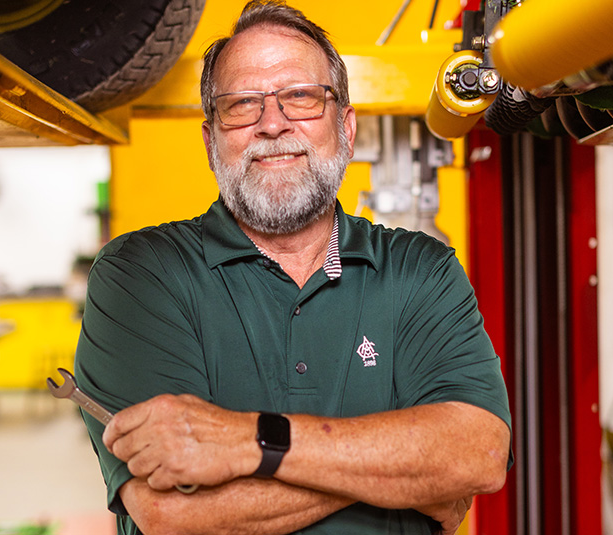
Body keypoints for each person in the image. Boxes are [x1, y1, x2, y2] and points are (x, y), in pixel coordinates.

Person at [74, 1, 512, 534]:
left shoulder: (422, 270)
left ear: (345, 128)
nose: (273, 124)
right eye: (241, 104)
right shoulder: (141, 275)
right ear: (212, 141)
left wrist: (246, 440)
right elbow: (175, 514)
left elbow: (478, 453)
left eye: (302, 98)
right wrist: (412, 476)